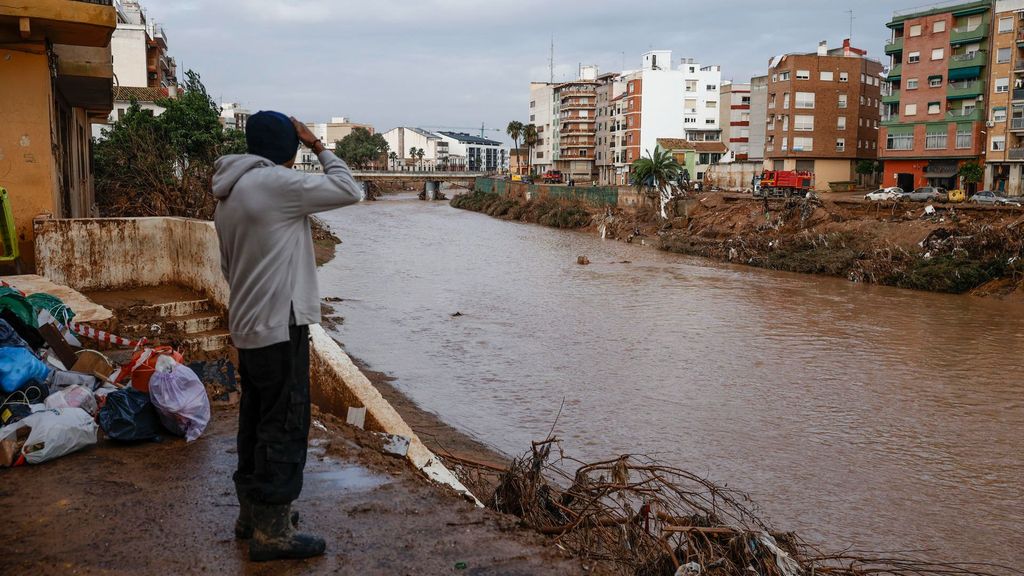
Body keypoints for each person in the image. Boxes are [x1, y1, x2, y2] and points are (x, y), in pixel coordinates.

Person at [211, 111, 364, 562]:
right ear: (287, 148)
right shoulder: (275, 185)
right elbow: (349, 189)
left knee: (255, 421)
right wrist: (318, 145)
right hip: (281, 325)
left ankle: (251, 516)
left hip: (248, 323)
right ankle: (273, 532)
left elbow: (226, 267)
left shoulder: (230, 193)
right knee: (285, 422)